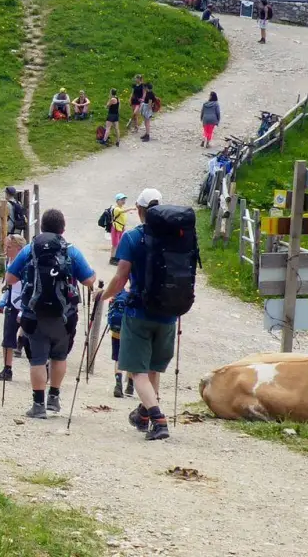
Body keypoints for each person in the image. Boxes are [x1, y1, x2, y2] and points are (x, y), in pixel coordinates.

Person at [100, 188, 177, 441]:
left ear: (140, 209)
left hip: (139, 312)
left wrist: (104, 295)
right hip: (168, 313)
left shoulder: (133, 238)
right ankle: (143, 416)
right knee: (153, 368)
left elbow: (121, 277)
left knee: (137, 371)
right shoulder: (177, 237)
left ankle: (159, 419)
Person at [4, 209, 97, 417]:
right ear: (63, 229)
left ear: (42, 228)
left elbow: (10, 278)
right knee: (59, 356)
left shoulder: (30, 250)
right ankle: (54, 398)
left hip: (34, 314)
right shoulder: (71, 251)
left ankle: (38, 406)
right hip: (64, 316)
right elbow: (89, 281)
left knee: (37, 359)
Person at [0, 234, 29, 382]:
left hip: (26, 303)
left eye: (9, 247)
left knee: (32, 338)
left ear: (19, 249)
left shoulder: (27, 263)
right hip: (12, 302)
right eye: (5, 246)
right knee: (7, 337)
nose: (6, 250)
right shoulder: (9, 261)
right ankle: (7, 369)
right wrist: (3, 301)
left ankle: (40, 365)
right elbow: (8, 285)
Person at [107, 289, 134, 398]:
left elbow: (111, 304)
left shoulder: (119, 289)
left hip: (116, 330)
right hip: (133, 332)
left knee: (118, 358)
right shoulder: (137, 290)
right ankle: (130, 386)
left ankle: (118, 385)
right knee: (133, 358)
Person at [105, 192, 129, 266]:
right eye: (122, 199)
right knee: (115, 244)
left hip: (121, 228)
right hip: (116, 228)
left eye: (124, 199)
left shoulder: (121, 208)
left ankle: (117, 257)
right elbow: (122, 212)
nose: (123, 201)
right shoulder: (116, 209)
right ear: (117, 201)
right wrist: (132, 208)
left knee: (119, 243)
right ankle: (112, 259)